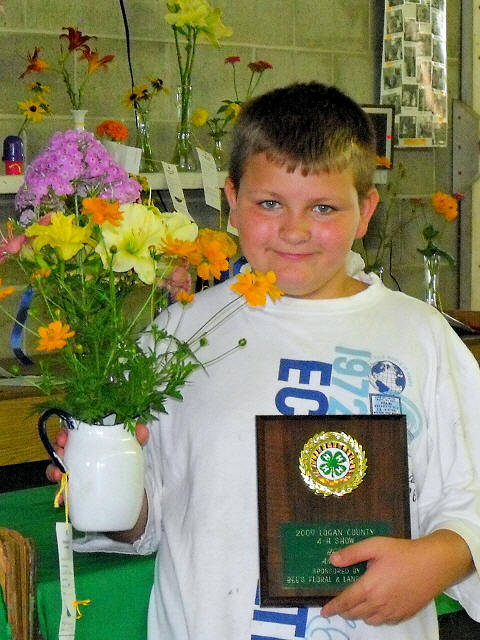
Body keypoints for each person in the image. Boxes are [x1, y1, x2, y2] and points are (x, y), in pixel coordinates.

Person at [48, 82, 480, 639]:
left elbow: (469, 499)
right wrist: (101, 481)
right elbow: (148, 518)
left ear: (366, 211)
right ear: (231, 200)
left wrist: (436, 561)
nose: (294, 231)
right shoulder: (181, 333)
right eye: (269, 203)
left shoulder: (420, 337)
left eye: (323, 207)